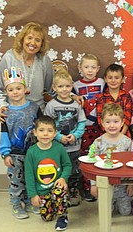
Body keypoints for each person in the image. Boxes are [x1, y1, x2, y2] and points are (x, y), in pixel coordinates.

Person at [0, 66, 42, 219]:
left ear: (25, 89)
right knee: (16, 180)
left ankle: (30, 201)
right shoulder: (5, 111)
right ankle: (16, 204)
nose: (15, 92)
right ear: (6, 92)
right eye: (11, 90)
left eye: (18, 88)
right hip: (15, 154)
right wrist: (5, 154)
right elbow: (4, 133)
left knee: (31, 178)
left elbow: (41, 128)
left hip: (33, 152)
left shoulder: (35, 108)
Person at [0, 22, 53, 121]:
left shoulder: (44, 60)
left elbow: (52, 88)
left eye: (37, 40)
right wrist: (2, 105)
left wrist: (72, 96)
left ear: (41, 44)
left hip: (38, 116)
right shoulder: (9, 58)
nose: (33, 43)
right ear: (22, 39)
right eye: (29, 38)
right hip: (13, 114)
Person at [44, 69, 86, 207]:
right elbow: (47, 126)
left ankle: (73, 191)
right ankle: (61, 192)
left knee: (75, 170)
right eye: (60, 86)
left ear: (72, 86)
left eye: (67, 86)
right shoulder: (51, 105)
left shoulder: (76, 104)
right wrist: (58, 136)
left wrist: (75, 135)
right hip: (58, 147)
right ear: (54, 88)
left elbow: (81, 122)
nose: (64, 89)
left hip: (74, 146)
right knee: (59, 169)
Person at [25, 115, 72, 231]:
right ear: (35, 132)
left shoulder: (59, 148)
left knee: (58, 192)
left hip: (57, 186)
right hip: (42, 191)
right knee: (47, 218)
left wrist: (63, 178)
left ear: (55, 133)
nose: (45, 134)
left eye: (50, 131)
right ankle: (55, 206)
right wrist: (33, 195)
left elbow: (67, 165)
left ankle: (62, 215)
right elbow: (29, 175)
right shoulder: (31, 152)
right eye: (41, 130)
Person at [90, 103, 132, 216]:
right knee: (106, 213)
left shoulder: (127, 142)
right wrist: (93, 184)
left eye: (116, 121)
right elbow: (91, 164)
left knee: (126, 212)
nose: (112, 125)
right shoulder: (98, 142)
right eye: (108, 122)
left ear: (122, 122)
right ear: (102, 123)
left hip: (123, 185)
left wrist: (132, 184)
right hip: (104, 186)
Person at [73, 53, 105, 202]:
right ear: (80, 68)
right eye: (86, 67)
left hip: (99, 127)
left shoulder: (102, 82)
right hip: (83, 129)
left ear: (98, 68)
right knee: (86, 157)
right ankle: (86, 188)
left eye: (93, 67)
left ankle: (101, 186)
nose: (90, 70)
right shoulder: (75, 85)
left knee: (99, 156)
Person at [96, 63, 132, 136]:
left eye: (116, 78)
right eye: (110, 78)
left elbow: (127, 117)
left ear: (122, 79)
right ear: (105, 79)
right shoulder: (101, 97)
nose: (113, 80)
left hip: (124, 134)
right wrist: (110, 135)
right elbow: (100, 118)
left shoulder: (126, 96)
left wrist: (121, 135)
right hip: (106, 135)